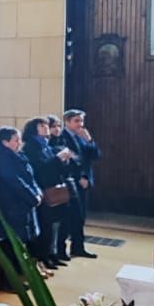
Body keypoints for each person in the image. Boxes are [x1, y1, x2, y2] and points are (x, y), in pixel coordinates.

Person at [0, 126, 45, 291]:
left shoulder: (16, 155)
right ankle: (7, 281)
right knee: (10, 245)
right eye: (16, 140)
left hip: (20, 205)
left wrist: (37, 192)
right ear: (5, 142)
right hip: (9, 206)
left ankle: (19, 274)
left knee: (19, 243)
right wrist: (31, 196)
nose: (20, 143)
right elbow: (14, 182)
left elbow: (29, 176)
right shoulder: (1, 158)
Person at [22, 117, 73, 269]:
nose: (46, 128)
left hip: (53, 187)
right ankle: (43, 258)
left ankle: (52, 255)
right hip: (42, 190)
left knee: (53, 226)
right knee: (45, 227)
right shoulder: (31, 146)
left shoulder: (45, 145)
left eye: (46, 125)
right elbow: (40, 168)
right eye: (42, 126)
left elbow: (53, 166)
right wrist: (58, 159)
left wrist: (64, 161)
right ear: (34, 129)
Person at [57, 109, 101, 259]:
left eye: (81, 121)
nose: (80, 124)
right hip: (72, 182)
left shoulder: (82, 136)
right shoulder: (62, 137)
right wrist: (80, 176)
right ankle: (61, 250)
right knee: (69, 217)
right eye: (76, 121)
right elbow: (71, 161)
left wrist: (89, 140)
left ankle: (78, 247)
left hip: (84, 182)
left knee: (80, 217)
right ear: (67, 122)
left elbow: (95, 156)